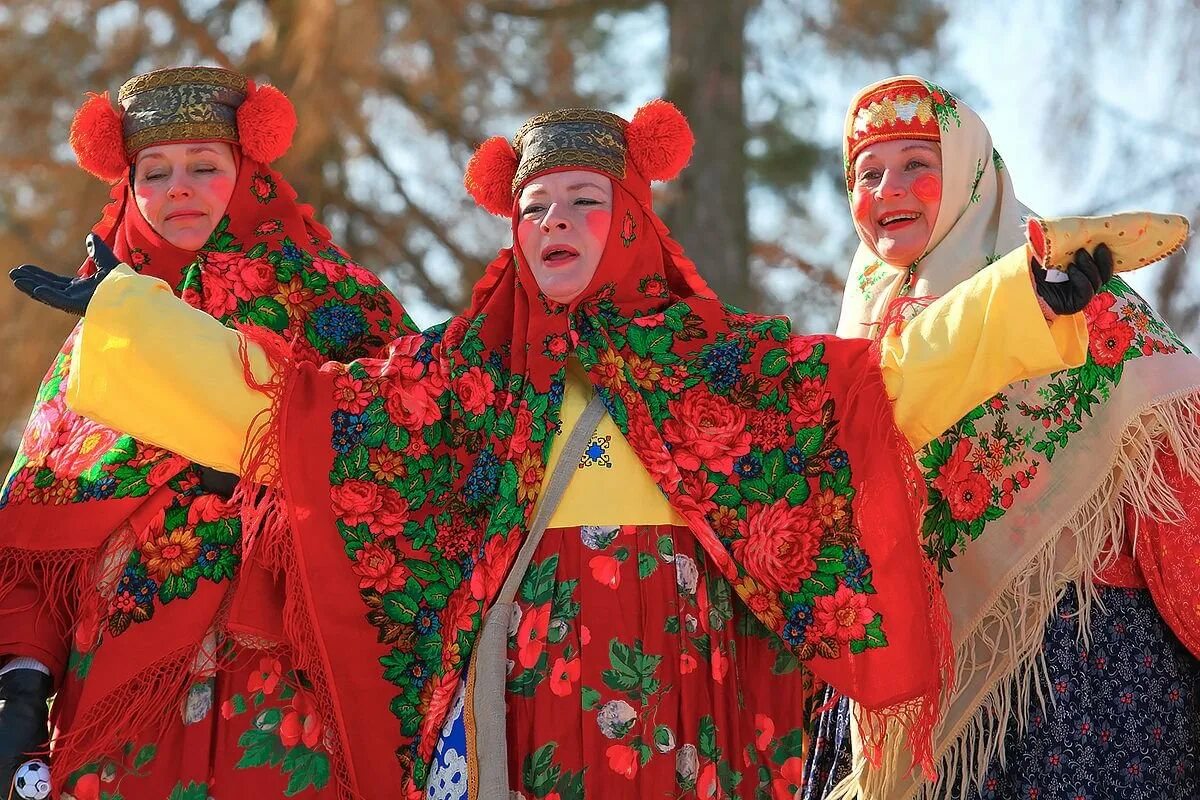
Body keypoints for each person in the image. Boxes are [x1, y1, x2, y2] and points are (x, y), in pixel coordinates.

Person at [13, 100, 1125, 799]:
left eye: (583, 200)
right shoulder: (461, 379)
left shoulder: (717, 364)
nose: (552, 221)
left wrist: (1025, 298)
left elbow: (883, 381)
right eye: (534, 205)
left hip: (684, 686)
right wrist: (128, 313)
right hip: (526, 688)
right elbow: (296, 416)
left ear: (632, 217)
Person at [0, 66, 411, 799]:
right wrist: (22, 686)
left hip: (284, 674)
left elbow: (410, 447)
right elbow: (37, 529)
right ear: (127, 186)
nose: (178, 188)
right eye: (153, 172)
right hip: (117, 690)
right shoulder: (95, 332)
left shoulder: (338, 301)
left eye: (204, 166)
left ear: (249, 171)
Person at [815, 76, 1200, 800]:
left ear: (970, 176)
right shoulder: (862, 322)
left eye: (917, 165)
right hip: (908, 680)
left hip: (1072, 671)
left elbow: (1178, 475)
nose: (888, 189)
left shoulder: (1077, 290)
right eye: (867, 173)